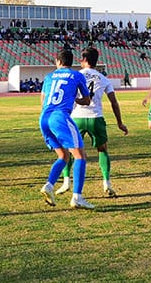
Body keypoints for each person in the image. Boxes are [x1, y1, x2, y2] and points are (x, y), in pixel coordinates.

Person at [56, 47, 128, 197]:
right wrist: (120, 123)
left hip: (77, 118)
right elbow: (114, 102)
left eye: (81, 58)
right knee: (102, 150)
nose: (80, 61)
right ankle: (106, 183)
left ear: (85, 60)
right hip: (96, 118)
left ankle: (66, 182)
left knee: (70, 150)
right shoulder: (103, 78)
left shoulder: (75, 76)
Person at [38, 49, 94, 209]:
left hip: (44, 118)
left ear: (58, 61)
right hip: (60, 117)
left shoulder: (49, 76)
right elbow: (87, 100)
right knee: (80, 156)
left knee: (63, 155)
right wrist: (75, 99)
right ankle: (77, 197)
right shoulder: (77, 75)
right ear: (71, 62)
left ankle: (49, 186)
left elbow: (42, 100)